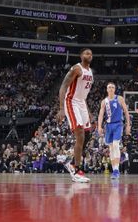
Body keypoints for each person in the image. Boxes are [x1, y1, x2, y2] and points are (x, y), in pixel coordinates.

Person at [57, 49, 95, 183]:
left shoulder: (90, 72)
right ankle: (76, 169)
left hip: (82, 103)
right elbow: (63, 86)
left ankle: (72, 162)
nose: (88, 55)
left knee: (87, 134)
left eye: (90, 54)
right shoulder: (76, 69)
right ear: (81, 56)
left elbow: (83, 95)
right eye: (86, 53)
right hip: (71, 101)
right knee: (80, 134)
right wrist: (61, 108)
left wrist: (89, 112)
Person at [97, 82, 131, 180]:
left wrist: (128, 125)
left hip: (118, 124)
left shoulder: (119, 98)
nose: (111, 88)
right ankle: (115, 169)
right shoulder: (104, 101)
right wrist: (99, 126)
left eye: (112, 87)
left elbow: (126, 112)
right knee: (111, 148)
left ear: (115, 89)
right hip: (108, 126)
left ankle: (116, 171)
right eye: (109, 87)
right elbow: (100, 114)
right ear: (107, 89)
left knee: (116, 145)